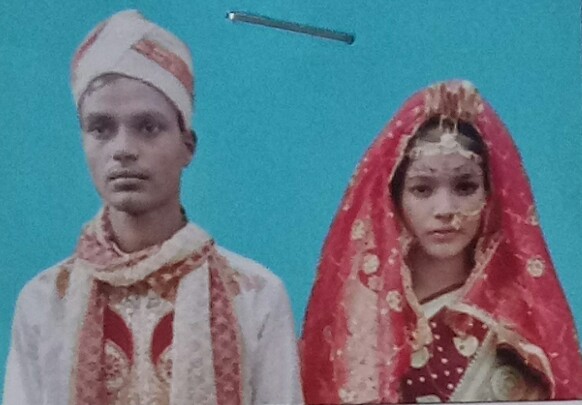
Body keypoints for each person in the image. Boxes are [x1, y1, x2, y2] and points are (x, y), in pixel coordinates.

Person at [3, 10, 303, 405]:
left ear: (187, 146)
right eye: (101, 129)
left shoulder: (254, 296)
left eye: (148, 127)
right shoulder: (45, 302)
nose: (123, 149)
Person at [300, 80, 582, 403]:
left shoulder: (522, 328)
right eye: (422, 189)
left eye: (465, 187)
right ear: (394, 198)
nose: (445, 210)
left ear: (491, 197)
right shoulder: (362, 321)